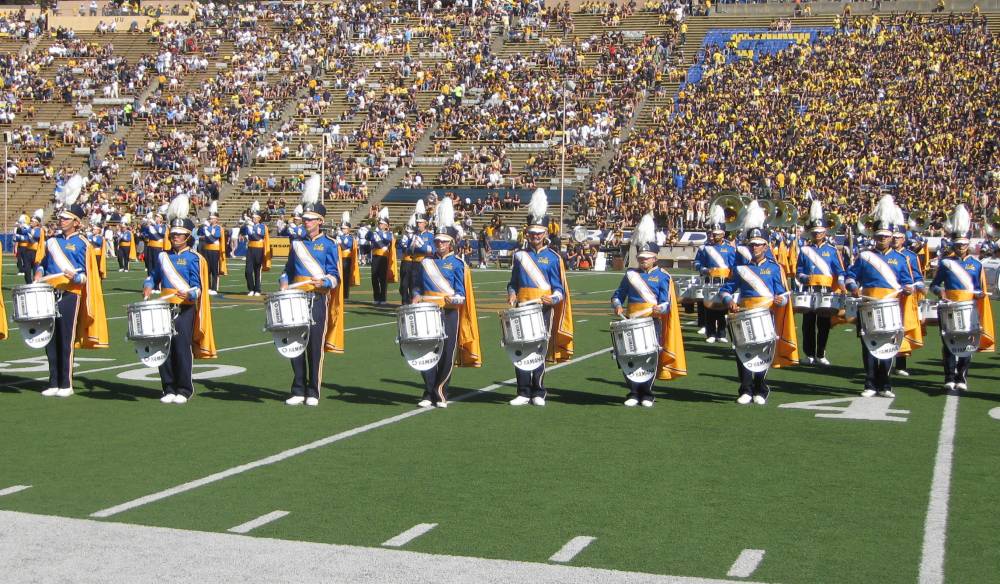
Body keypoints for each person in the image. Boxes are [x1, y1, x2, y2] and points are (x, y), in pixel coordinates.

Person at [34, 175, 109, 398]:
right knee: (49, 338)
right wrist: (39, 273)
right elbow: (43, 264)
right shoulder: (52, 241)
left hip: (70, 294)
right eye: (61, 218)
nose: (61, 221)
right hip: (49, 293)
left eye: (66, 219)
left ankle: (66, 383)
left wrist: (74, 278)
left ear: (76, 221)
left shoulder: (83, 244)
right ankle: (53, 381)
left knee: (65, 338)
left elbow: (87, 277)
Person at [720, 200, 797, 405]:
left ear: (765, 246)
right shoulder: (740, 269)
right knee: (743, 351)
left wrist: (780, 301)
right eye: (751, 244)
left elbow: (782, 295)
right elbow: (726, 290)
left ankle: (760, 389)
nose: (754, 248)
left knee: (763, 351)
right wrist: (730, 302)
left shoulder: (775, 268)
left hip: (766, 315)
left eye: (758, 244)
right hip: (745, 314)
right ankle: (745, 389)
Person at [142, 195, 217, 404]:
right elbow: (154, 276)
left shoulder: (194, 258)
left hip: (184, 309)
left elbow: (198, 287)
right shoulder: (163, 256)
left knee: (181, 348)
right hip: (164, 307)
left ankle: (184, 389)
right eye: (173, 233)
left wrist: (191, 294)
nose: (175, 236)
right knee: (162, 346)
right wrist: (148, 286)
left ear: (187, 236)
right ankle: (168, 387)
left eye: (179, 234)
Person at [279, 175, 345, 406]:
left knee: (315, 346)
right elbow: (287, 270)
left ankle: (313, 390)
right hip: (295, 299)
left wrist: (325, 283)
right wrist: (284, 281)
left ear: (319, 221)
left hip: (317, 300)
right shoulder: (296, 243)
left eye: (309, 219)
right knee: (295, 344)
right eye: (304, 219)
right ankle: (297, 389)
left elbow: (335, 276)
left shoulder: (329, 244)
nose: (305, 222)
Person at [411, 197, 482, 407]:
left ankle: (441, 392)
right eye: (437, 240)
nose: (440, 244)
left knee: (446, 353)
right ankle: (428, 391)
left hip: (449, 312)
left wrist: (452, 299)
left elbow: (461, 293)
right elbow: (417, 286)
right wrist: (416, 295)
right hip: (427, 311)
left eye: (443, 241)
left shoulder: (458, 264)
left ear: (451, 242)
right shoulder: (426, 262)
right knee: (425, 351)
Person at [610, 214, 686, 407]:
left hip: (652, 321)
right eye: (640, 258)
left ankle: (647, 393)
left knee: (649, 355)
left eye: (646, 258)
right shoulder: (631, 275)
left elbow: (666, 303)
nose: (642, 261)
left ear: (654, 258)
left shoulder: (663, 276)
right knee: (630, 355)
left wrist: (659, 309)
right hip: (631, 320)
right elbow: (618, 295)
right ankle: (633, 392)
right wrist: (617, 305)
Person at [507, 189, 574, 406]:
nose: (535, 236)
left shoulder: (554, 257)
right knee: (520, 347)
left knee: (538, 348)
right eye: (531, 233)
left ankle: (538, 390)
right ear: (527, 233)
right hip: (522, 307)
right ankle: (522, 391)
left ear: (545, 233)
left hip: (542, 308)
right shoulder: (520, 256)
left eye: (538, 233)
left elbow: (559, 289)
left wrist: (553, 299)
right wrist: (511, 294)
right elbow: (513, 282)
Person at [845, 196, 915, 398]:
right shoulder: (865, 256)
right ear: (874, 236)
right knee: (868, 346)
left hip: (890, 306)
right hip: (868, 306)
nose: (882, 239)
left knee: (888, 345)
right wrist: (852, 287)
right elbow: (850, 276)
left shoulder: (901, 258)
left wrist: (909, 289)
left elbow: (907, 282)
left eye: (885, 236)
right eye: (879, 236)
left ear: (891, 236)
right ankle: (869, 383)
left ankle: (885, 384)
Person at [929, 204, 995, 391]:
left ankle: (962, 377)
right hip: (949, 307)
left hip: (969, 307)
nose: (960, 248)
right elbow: (934, 284)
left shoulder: (976, 264)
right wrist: (939, 292)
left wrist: (981, 295)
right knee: (948, 341)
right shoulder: (946, 263)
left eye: (963, 245)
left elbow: (980, 289)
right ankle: (949, 376)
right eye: (957, 245)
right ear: (954, 245)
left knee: (967, 342)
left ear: (968, 245)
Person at [796, 201, 846, 366]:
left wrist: (841, 284)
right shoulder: (804, 250)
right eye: (814, 232)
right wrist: (805, 278)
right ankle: (809, 354)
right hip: (809, 290)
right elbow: (799, 271)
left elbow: (840, 271)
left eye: (820, 231)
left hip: (825, 291)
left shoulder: (832, 250)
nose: (817, 234)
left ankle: (820, 353)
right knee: (808, 324)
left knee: (823, 323)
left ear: (825, 231)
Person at [693, 204, 735, 342]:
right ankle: (711, 333)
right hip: (709, 280)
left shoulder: (729, 249)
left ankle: (722, 333)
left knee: (723, 308)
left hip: (724, 280)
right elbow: (697, 263)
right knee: (710, 307)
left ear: (723, 234)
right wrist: (704, 270)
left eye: (717, 234)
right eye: (713, 234)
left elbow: (733, 264)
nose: (715, 236)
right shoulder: (705, 248)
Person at [891, 211, 925, 377]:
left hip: (905, 299)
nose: (895, 239)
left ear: (904, 238)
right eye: (894, 237)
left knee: (902, 328)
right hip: (889, 297)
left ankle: (901, 364)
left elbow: (918, 278)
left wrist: (916, 287)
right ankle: (885, 363)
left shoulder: (911, 256)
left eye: (898, 237)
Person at [367, 207, 398, 305]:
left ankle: (383, 298)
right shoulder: (375, 232)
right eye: (379, 223)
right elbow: (367, 237)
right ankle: (376, 298)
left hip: (384, 257)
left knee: (383, 278)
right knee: (374, 277)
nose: (379, 224)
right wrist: (370, 228)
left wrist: (377, 232)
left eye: (381, 223)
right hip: (375, 256)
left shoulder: (389, 234)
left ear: (386, 225)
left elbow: (386, 240)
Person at [407, 200, 434, 305]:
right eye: (417, 222)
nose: (418, 224)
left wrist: (423, 246)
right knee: (413, 285)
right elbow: (408, 251)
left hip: (425, 264)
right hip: (414, 263)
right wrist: (412, 246)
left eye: (420, 222)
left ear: (425, 223)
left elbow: (433, 251)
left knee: (424, 285)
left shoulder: (430, 236)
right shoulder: (414, 235)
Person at [241, 201, 270, 296]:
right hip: (250, 249)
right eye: (252, 217)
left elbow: (258, 237)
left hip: (259, 249)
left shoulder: (262, 226)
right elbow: (243, 232)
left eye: (255, 217)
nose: (253, 218)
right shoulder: (249, 225)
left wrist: (251, 229)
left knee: (257, 270)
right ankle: (251, 288)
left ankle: (257, 289)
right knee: (248, 271)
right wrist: (246, 225)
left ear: (259, 218)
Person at [200, 202, 226, 295]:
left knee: (215, 269)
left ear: (216, 219)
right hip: (207, 249)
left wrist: (207, 232)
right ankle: (208, 287)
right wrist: (205, 228)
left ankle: (214, 288)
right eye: (210, 219)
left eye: (212, 219)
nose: (210, 220)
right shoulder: (207, 227)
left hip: (215, 249)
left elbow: (213, 238)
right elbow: (201, 234)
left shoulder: (218, 228)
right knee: (207, 269)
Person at [336, 212, 360, 300]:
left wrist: (340, 239)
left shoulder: (350, 238)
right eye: (342, 229)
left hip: (346, 259)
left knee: (345, 277)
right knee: (338, 276)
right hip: (339, 258)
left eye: (345, 229)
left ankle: (345, 295)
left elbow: (346, 246)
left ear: (349, 229)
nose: (343, 230)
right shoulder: (339, 236)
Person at [141, 211, 167, 283]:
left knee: (156, 265)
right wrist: (146, 223)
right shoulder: (151, 226)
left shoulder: (163, 226)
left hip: (158, 247)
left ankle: (157, 286)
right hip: (150, 246)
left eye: (157, 217)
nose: (156, 218)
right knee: (150, 265)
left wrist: (153, 225)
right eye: (155, 217)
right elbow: (144, 232)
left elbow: (161, 233)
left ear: (161, 219)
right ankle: (150, 283)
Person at [398, 218, 415, 305]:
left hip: (414, 262)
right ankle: (405, 301)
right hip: (405, 262)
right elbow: (401, 249)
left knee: (413, 284)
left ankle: (412, 301)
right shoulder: (404, 237)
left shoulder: (417, 236)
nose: (408, 233)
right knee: (404, 285)